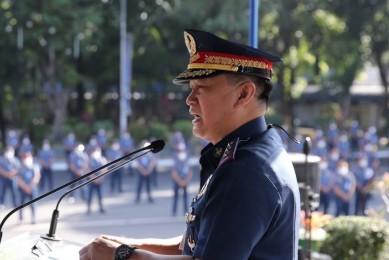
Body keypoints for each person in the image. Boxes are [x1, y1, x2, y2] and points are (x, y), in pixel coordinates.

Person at [80, 28, 301, 259]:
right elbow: (195, 245)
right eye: (190, 89)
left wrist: (121, 255)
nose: (189, 100)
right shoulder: (254, 150)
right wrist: (126, 245)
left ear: (243, 94)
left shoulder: (245, 170)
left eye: (201, 89)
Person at [16, 152, 41, 224]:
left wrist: (30, 187)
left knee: (33, 204)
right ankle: (21, 219)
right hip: (22, 189)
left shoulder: (35, 167)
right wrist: (25, 187)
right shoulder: (20, 168)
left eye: (27, 158)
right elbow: (18, 179)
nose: (26, 160)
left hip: (32, 189)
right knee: (21, 205)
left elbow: (36, 177)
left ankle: (34, 218)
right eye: (24, 159)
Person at [171, 140, 193, 216]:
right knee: (176, 196)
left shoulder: (187, 156)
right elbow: (173, 171)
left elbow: (189, 170)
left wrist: (186, 180)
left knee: (185, 197)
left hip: (185, 178)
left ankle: (186, 211)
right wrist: (179, 181)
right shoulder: (175, 156)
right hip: (177, 179)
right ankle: (174, 211)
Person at [86, 146, 107, 214]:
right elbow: (88, 170)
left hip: (100, 180)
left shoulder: (102, 159)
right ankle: (88, 207)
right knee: (90, 194)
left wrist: (99, 178)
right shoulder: (90, 160)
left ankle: (101, 207)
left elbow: (104, 170)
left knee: (100, 194)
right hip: (92, 180)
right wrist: (94, 179)